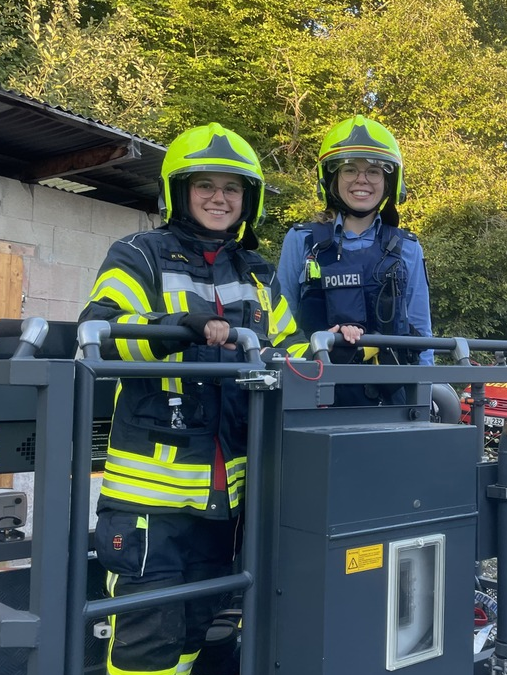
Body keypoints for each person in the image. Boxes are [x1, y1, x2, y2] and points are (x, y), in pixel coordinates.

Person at [79, 122, 310, 675]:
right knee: (148, 642)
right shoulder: (139, 253)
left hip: (224, 499)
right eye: (204, 185)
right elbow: (100, 334)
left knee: (202, 628)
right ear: (177, 192)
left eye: (231, 188)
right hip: (150, 506)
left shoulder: (255, 271)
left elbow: (293, 353)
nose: (219, 197)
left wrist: (350, 350)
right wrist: (177, 325)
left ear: (246, 200)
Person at [277, 114, 433, 405]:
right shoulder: (301, 241)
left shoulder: (408, 248)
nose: (362, 180)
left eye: (374, 171)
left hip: (391, 399)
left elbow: (422, 335)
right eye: (349, 169)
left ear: (389, 181)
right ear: (332, 178)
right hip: (314, 394)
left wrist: (423, 398)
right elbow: (282, 327)